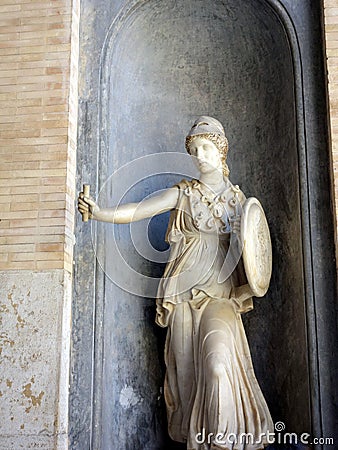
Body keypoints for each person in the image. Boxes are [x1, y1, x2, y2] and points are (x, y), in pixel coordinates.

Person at [78, 116, 274, 450]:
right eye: (195, 149)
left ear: (222, 152)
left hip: (220, 298)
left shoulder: (240, 203)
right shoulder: (183, 194)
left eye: (207, 147)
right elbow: (139, 211)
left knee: (216, 365)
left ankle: (225, 442)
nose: (200, 155)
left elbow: (257, 252)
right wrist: (100, 213)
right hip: (182, 294)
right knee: (185, 378)